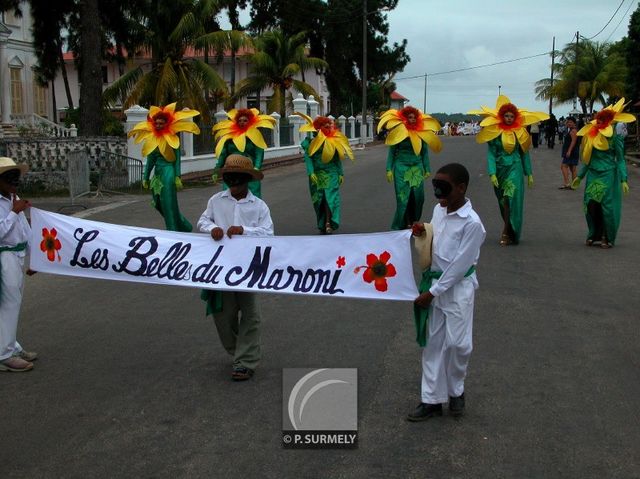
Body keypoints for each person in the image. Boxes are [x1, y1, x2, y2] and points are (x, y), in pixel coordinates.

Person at [408, 163, 486, 421]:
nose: (439, 196)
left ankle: (456, 390)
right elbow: (434, 234)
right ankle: (430, 399)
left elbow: (459, 266)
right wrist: (423, 230)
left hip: (457, 289)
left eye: (445, 189)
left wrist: (432, 292)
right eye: (437, 189)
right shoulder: (439, 210)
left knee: (458, 345)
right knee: (433, 345)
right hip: (435, 286)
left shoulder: (472, 224)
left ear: (461, 188)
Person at [198, 154, 274, 381]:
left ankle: (246, 361)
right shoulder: (216, 200)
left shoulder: (259, 206)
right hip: (221, 267)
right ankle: (238, 351)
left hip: (249, 267)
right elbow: (203, 221)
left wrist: (244, 231)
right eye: (230, 178)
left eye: (239, 178)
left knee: (251, 314)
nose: (234, 183)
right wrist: (212, 228)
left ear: (247, 180)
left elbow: (269, 233)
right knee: (223, 314)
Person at [469, 95, 548, 246]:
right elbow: (491, 154)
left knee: (510, 198)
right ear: (501, 116)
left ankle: (506, 231)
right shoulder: (495, 132)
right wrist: (492, 173)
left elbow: (524, 153)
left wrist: (529, 173)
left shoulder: (520, 133)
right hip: (499, 169)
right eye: (506, 115)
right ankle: (510, 229)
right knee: (502, 200)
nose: (509, 118)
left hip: (515, 168)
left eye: (512, 116)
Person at [571, 99, 636, 248]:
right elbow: (588, 160)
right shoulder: (592, 135)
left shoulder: (615, 138)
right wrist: (579, 177)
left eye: (602, 119)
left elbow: (620, 160)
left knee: (607, 206)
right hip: (593, 173)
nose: (598, 121)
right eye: (597, 118)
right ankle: (595, 232)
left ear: (610, 122)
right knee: (590, 204)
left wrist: (623, 179)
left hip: (608, 174)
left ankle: (607, 235)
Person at [128, 102, 201, 232]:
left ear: (166, 124)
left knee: (168, 203)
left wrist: (177, 177)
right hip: (157, 174)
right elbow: (150, 160)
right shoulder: (152, 139)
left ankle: (172, 230)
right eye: (156, 123)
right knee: (157, 203)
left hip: (168, 172)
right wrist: (145, 177)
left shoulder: (173, 139)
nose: (158, 125)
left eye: (161, 123)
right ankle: (183, 225)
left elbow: (177, 159)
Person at [377, 106, 442, 230]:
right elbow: (392, 152)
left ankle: (413, 220)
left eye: (414, 117)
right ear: (404, 119)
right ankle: (405, 223)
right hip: (401, 168)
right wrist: (389, 169)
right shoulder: (398, 133)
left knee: (418, 197)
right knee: (403, 198)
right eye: (409, 117)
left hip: (416, 168)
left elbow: (424, 152)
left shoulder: (421, 133)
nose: (412, 119)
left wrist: (427, 168)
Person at [0, 157, 37, 372]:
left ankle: (11, 345)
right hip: (4, 257)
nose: (15, 183)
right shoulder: (9, 204)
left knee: (14, 302)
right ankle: (4, 354)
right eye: (9, 179)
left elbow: (24, 229)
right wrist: (14, 212)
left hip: (17, 255)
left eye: (16, 179)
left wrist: (36, 257)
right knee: (8, 304)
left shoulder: (13, 197)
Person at [297, 115, 354, 234]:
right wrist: (311, 172)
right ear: (318, 128)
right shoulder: (311, 143)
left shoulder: (333, 141)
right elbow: (308, 158)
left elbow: (337, 159)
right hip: (317, 174)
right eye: (325, 125)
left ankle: (328, 222)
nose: (328, 126)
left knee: (330, 197)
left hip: (331, 173)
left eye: (329, 125)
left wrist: (340, 173)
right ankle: (322, 222)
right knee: (319, 200)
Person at [213, 108, 276, 199]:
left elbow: (259, 152)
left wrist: (257, 167)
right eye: (240, 120)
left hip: (249, 170)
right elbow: (223, 154)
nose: (242, 122)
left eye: (245, 120)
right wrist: (217, 169)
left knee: (253, 198)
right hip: (231, 169)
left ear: (250, 122)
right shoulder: (229, 137)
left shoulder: (255, 135)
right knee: (228, 197)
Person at [559, 117, 580, 189]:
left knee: (563, 166)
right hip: (573, 151)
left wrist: (569, 151)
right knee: (572, 168)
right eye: (568, 122)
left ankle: (567, 183)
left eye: (571, 122)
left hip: (571, 151)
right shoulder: (572, 130)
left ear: (574, 123)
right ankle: (574, 184)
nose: (569, 123)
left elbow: (573, 142)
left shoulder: (573, 131)